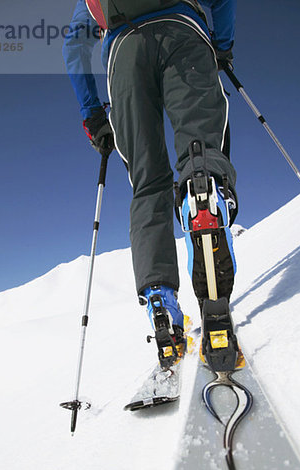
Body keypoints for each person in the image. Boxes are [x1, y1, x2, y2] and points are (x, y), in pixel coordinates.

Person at [63, 0, 239, 370]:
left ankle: (161, 301)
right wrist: (221, 48)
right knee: (201, 153)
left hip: (123, 53)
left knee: (147, 183)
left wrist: (92, 115)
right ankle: (202, 198)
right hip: (183, 35)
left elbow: (74, 45)